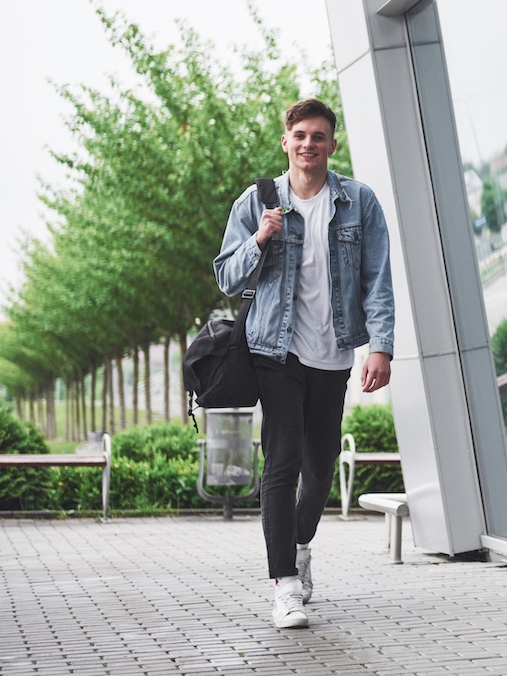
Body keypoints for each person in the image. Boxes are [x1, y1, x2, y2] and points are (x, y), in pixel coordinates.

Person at [214, 98, 395, 628]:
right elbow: (226, 277)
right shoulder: (257, 201)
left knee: (319, 469)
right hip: (275, 350)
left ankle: (299, 546)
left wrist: (380, 345)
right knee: (282, 461)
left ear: (332, 144)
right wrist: (260, 237)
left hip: (333, 352)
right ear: (286, 142)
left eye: (318, 136)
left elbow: (377, 279)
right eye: (300, 136)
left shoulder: (358, 201)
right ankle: (284, 585)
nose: (308, 144)